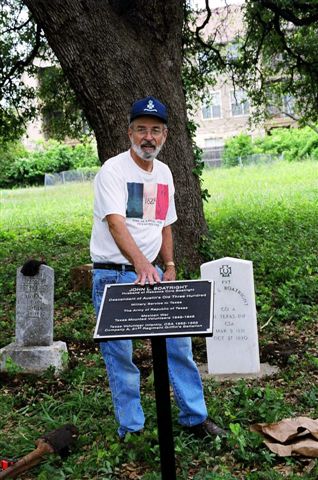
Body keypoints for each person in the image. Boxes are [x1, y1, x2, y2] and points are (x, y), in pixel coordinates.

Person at [90, 95, 226, 440]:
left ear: (164, 135)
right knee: (121, 356)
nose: (148, 137)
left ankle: (194, 419)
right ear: (129, 133)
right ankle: (132, 430)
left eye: (155, 130)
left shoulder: (164, 172)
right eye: (141, 130)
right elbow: (116, 223)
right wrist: (140, 265)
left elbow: (164, 222)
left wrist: (168, 264)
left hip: (152, 272)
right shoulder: (113, 170)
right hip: (114, 275)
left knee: (178, 345)